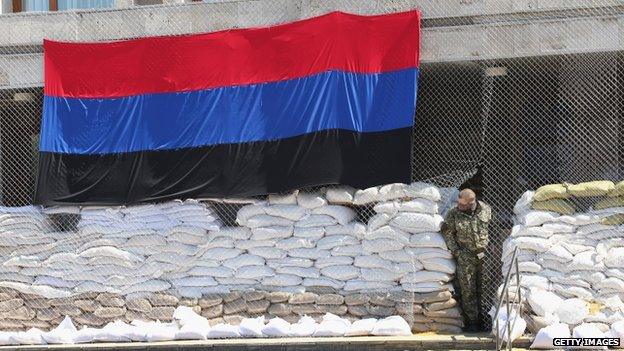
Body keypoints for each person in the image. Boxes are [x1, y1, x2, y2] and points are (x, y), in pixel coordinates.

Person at [441, 188, 491, 332]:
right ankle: (472, 322)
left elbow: (492, 228)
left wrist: (494, 247)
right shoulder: (453, 213)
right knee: (468, 289)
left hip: (484, 255)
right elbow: (447, 232)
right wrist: (456, 251)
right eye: (458, 203)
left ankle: (486, 320)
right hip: (465, 255)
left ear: (471, 203)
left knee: (485, 288)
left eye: (463, 205)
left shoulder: (486, 209)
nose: (459, 206)